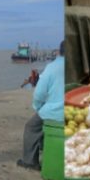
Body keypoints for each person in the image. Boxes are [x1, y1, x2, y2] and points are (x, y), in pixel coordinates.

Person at [17, 41, 64, 171]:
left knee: (31, 127)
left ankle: (30, 162)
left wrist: (38, 107)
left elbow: (39, 94)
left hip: (56, 112)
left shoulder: (52, 67)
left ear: (59, 52)